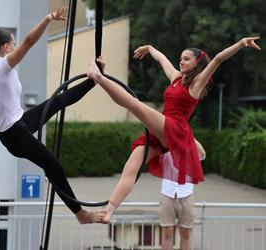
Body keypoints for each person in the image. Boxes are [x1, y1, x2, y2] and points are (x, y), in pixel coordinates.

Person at [87, 37, 261, 224]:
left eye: (187, 59)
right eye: (181, 58)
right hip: (163, 131)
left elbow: (218, 58)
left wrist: (241, 43)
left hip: (174, 128)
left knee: (135, 105)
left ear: (197, 63)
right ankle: (109, 210)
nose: (182, 61)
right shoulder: (176, 78)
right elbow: (162, 59)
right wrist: (150, 47)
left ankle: (98, 77)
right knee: (131, 167)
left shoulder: (196, 84)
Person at [0, 6, 104, 224]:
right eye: (13, 42)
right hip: (14, 134)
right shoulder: (2, 66)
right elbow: (29, 41)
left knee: (56, 101)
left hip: (17, 122)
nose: (16, 45)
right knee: (54, 166)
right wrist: (49, 18)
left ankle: (94, 79)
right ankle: (81, 215)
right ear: (6, 47)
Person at [159, 144, 205, 250]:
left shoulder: (191, 149)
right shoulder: (166, 145)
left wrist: (190, 136)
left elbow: (202, 155)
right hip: (168, 194)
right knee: (167, 232)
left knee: (185, 233)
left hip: (186, 194)